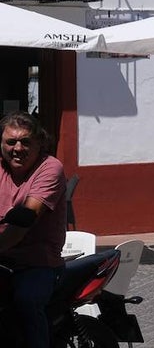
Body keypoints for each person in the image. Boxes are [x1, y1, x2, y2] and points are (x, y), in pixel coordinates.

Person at [0, 111, 67, 348]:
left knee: (26, 300)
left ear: (40, 143)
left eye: (26, 142)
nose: (17, 148)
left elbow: (25, 219)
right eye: (11, 142)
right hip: (5, 259)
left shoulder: (50, 168)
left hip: (38, 262)